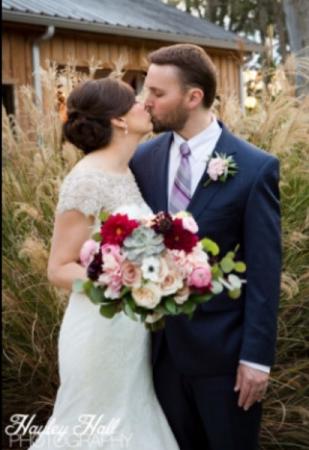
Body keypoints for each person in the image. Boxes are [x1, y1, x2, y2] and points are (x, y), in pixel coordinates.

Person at [130, 44, 281, 450]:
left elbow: (265, 272)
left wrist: (256, 359)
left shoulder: (253, 167)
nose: (147, 102)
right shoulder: (141, 159)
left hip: (226, 362)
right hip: (157, 357)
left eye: (158, 93)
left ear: (193, 97)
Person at [28, 78, 179, 450]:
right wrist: (119, 280)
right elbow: (59, 268)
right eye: (135, 101)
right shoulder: (85, 180)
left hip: (130, 334)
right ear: (119, 121)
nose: (145, 104)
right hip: (98, 331)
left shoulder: (126, 171)